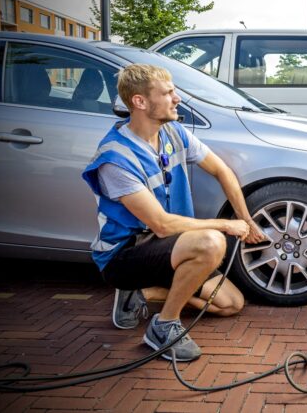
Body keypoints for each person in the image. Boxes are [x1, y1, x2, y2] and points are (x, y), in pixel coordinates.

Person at [83, 64, 266, 361]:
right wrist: (226, 225)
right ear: (140, 102)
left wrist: (246, 219)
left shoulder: (174, 132)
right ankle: (164, 325)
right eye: (168, 93)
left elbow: (222, 170)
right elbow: (162, 225)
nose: (177, 98)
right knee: (212, 242)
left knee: (231, 304)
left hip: (170, 247)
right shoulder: (115, 157)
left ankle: (143, 294)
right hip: (126, 254)